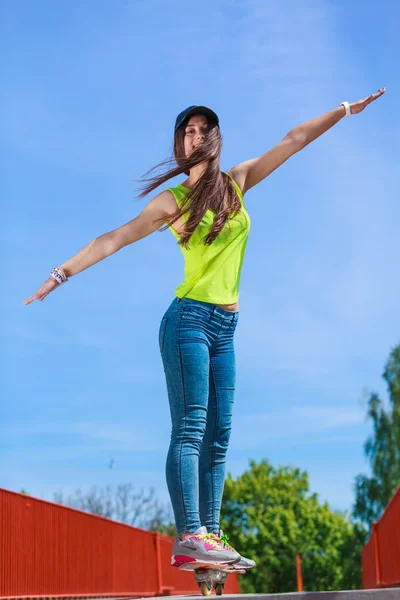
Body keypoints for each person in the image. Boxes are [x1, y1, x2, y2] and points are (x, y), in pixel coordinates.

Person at [24, 89, 385, 569]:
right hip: (188, 321)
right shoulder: (171, 202)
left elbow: (294, 139)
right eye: (186, 132)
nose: (194, 137)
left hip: (227, 327)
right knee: (192, 427)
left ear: (215, 139)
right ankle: (190, 533)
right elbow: (112, 239)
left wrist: (344, 110)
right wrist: (60, 274)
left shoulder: (237, 183)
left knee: (221, 434)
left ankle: (210, 536)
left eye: (201, 130)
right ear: (180, 145)